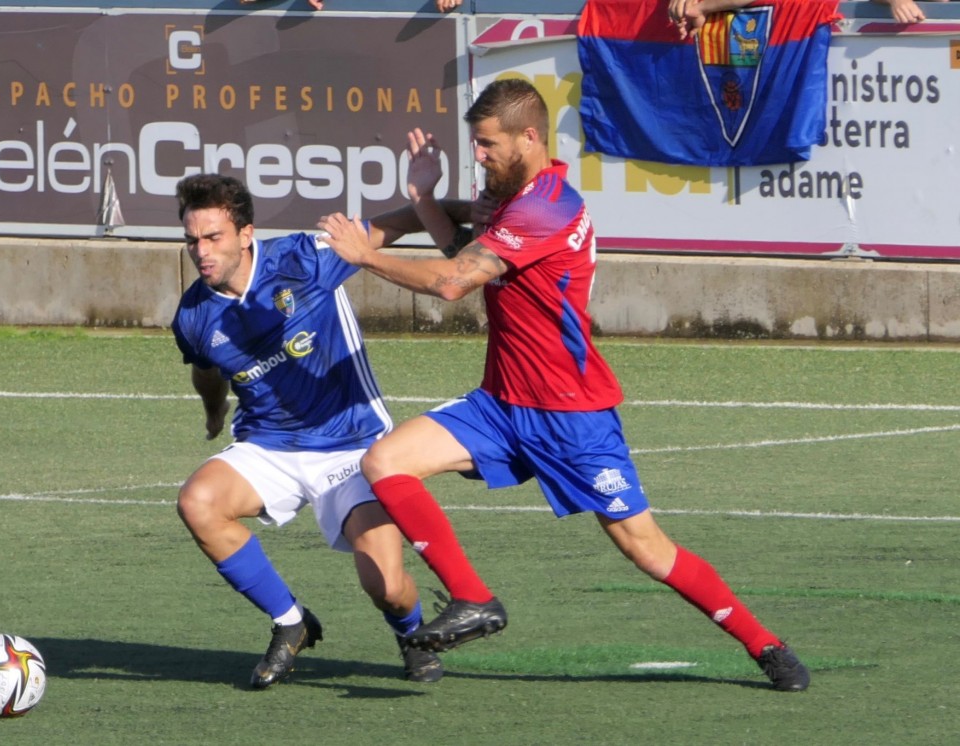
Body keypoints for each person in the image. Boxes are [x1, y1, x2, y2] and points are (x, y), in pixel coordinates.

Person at [318, 79, 812, 692]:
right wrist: (422, 197)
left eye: (487, 144)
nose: (479, 155)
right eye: (476, 144)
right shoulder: (508, 196)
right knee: (386, 461)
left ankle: (765, 645)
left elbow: (452, 281)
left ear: (530, 137)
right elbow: (462, 246)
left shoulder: (546, 206)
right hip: (500, 404)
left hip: (573, 416)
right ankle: (472, 597)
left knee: (647, 549)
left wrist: (363, 257)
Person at [170, 173, 445, 688]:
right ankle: (290, 621)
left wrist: (460, 212)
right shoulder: (194, 313)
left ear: (246, 233)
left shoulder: (305, 258)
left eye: (213, 238)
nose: (200, 251)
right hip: (268, 446)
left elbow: (398, 225)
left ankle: (412, 633)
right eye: (191, 240)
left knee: (386, 586)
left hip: (353, 445)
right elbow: (205, 368)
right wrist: (213, 413)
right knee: (198, 503)